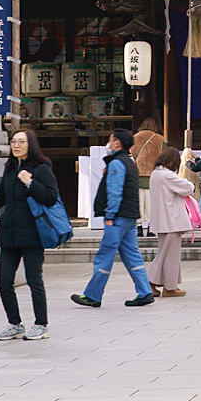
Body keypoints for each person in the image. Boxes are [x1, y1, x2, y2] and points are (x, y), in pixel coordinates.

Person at [0, 129, 57, 341]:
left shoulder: (42, 168)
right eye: (13, 142)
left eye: (21, 142)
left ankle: (41, 324)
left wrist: (30, 183)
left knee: (35, 280)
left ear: (30, 144)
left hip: (32, 234)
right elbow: (2, 196)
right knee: (4, 282)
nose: (16, 145)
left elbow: (51, 197)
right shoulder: (10, 168)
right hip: (9, 234)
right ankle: (14, 324)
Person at [73, 128, 156, 309]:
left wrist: (110, 215)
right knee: (132, 254)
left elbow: (115, 192)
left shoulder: (117, 163)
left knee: (105, 254)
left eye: (111, 140)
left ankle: (92, 295)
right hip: (130, 216)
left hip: (117, 217)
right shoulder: (129, 162)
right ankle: (145, 291)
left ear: (117, 143)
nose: (108, 144)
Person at [147, 146, 195, 297]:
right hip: (171, 220)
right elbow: (188, 187)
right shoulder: (167, 175)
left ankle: (168, 285)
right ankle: (155, 283)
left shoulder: (156, 174)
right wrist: (187, 181)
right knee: (168, 255)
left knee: (166, 254)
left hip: (162, 220)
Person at [130, 117, 165, 236]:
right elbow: (164, 155)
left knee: (139, 202)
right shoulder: (159, 139)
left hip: (138, 174)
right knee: (152, 202)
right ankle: (151, 227)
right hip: (153, 174)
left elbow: (131, 152)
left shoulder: (135, 137)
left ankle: (139, 228)